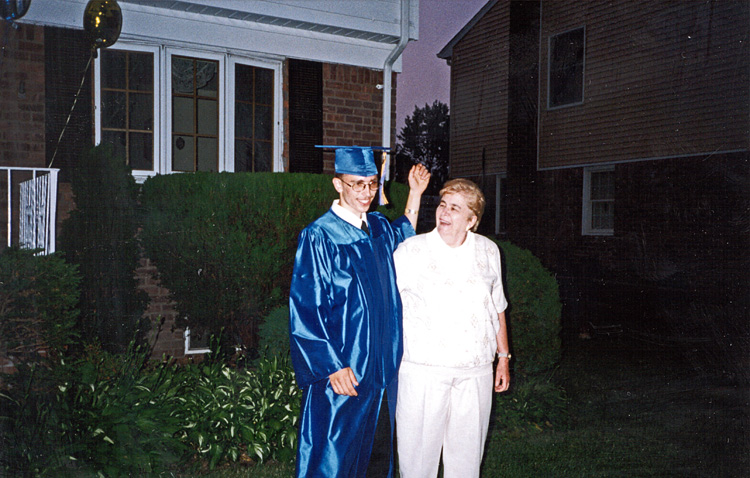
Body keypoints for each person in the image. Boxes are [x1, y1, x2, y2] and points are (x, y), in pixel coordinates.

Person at [289, 146, 430, 478]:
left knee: (378, 455)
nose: (367, 192)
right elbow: (307, 307)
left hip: (381, 370)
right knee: (336, 456)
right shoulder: (320, 236)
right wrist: (330, 367)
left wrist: (416, 193)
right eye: (357, 184)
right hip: (346, 370)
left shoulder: (378, 227)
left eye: (371, 183)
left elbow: (405, 233)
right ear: (338, 185)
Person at [393, 178, 511, 478]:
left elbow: (497, 306)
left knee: (467, 463)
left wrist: (503, 357)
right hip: (424, 372)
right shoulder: (411, 251)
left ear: (472, 220)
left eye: (455, 208)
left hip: (475, 373)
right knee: (417, 462)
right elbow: (384, 306)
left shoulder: (488, 251)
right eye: (443, 204)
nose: (444, 212)